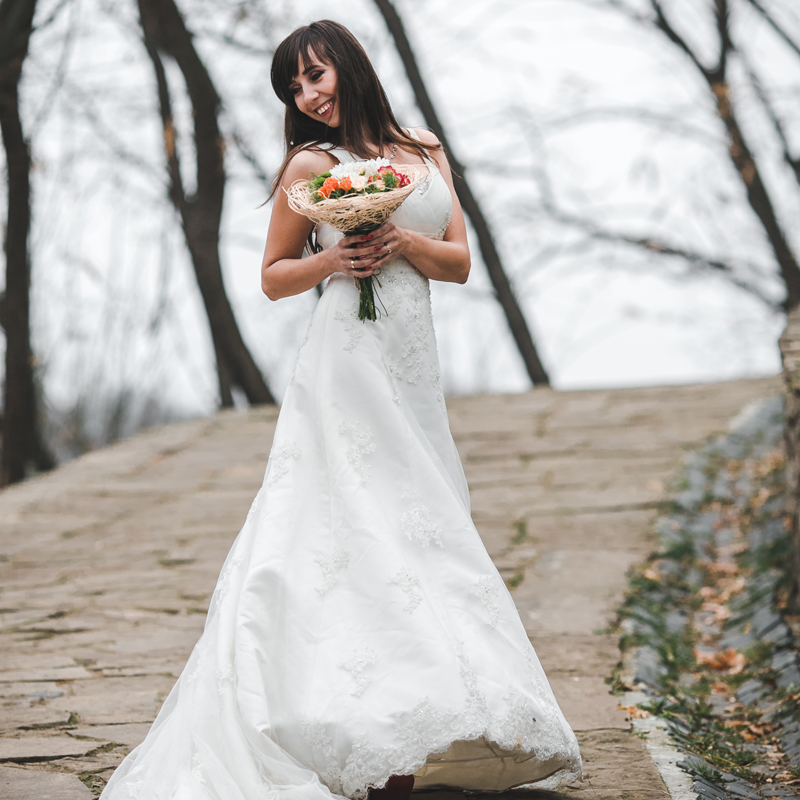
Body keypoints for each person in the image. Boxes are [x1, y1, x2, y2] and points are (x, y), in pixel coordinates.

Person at [100, 19, 581, 800]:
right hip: (346, 360)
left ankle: (446, 715)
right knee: (355, 517)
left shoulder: (423, 149)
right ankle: (362, 724)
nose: (307, 95)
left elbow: (458, 261)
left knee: (427, 517)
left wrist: (399, 240)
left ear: (349, 67)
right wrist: (335, 256)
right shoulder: (311, 164)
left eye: (314, 76)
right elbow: (274, 275)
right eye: (293, 87)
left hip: (413, 361)